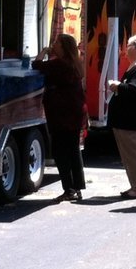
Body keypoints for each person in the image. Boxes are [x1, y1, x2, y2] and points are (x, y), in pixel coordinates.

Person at [32, 33, 86, 202]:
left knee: (60, 152)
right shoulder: (74, 64)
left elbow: (36, 65)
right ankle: (77, 187)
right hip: (74, 112)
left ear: (63, 47)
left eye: (56, 43)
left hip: (61, 114)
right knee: (73, 150)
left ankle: (68, 188)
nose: (53, 44)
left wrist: (43, 52)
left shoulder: (58, 64)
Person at [107, 35, 136, 199]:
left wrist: (118, 86)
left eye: (129, 45)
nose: (125, 48)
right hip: (129, 122)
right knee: (132, 156)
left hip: (135, 123)